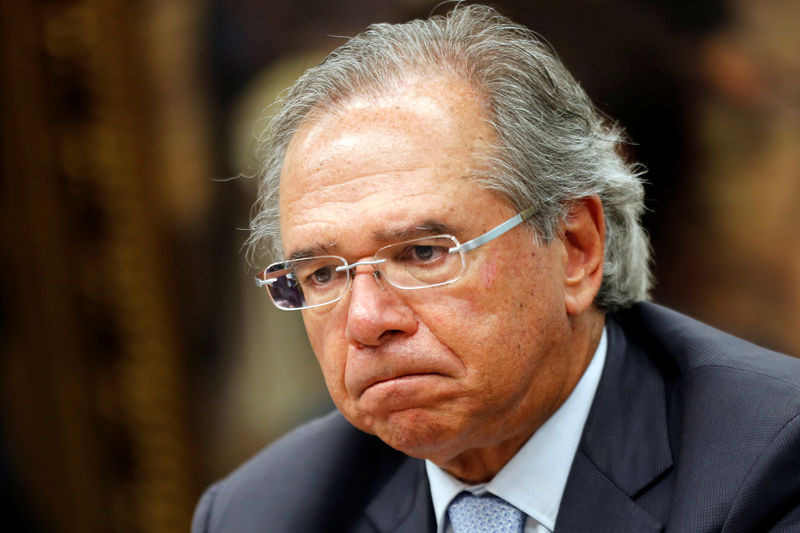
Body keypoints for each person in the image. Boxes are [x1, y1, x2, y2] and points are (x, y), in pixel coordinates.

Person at [193, 4, 800, 532]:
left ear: (576, 247)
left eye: (423, 254)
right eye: (323, 274)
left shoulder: (768, 467)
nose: (368, 319)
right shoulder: (264, 513)